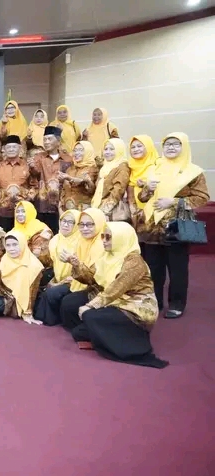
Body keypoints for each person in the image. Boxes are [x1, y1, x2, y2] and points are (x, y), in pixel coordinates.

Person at [62, 222, 168, 368]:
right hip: (109, 298)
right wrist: (76, 265)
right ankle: (100, 331)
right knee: (70, 305)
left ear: (121, 238)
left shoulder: (134, 262)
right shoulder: (107, 256)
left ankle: (127, 341)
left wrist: (91, 306)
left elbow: (117, 288)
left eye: (109, 237)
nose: (104, 241)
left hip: (133, 306)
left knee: (89, 316)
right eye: (103, 236)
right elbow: (90, 278)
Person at [136, 132, 210, 318]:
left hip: (176, 225)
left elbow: (202, 197)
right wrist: (147, 189)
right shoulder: (155, 168)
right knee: (153, 268)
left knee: (177, 269)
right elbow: (142, 198)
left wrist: (174, 201)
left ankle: (177, 304)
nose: (171, 147)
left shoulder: (193, 171)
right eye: (167, 144)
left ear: (184, 147)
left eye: (176, 144)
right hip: (152, 227)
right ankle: (155, 301)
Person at [57, 208, 107, 327]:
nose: (84, 228)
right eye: (81, 224)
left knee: (68, 301)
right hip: (81, 281)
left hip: (100, 288)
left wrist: (76, 264)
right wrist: (73, 263)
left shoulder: (103, 244)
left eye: (89, 224)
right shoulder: (82, 240)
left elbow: (95, 277)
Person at [0, 231, 43, 324]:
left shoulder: (34, 265)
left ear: (22, 244)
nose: (11, 249)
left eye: (15, 245)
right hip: (5, 293)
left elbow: (32, 291)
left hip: (19, 299)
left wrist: (27, 312)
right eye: (8, 245)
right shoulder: (6, 258)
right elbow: (1, 282)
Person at [35, 210, 80, 325]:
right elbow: (48, 260)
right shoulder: (56, 239)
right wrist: (41, 248)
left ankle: (53, 319)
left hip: (75, 280)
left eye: (70, 222)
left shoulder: (81, 242)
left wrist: (62, 282)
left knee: (51, 293)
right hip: (57, 277)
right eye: (63, 221)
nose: (65, 225)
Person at [30, 126, 73, 233]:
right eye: (44, 139)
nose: (46, 142)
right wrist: (32, 167)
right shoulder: (39, 157)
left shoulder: (68, 159)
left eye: (49, 139)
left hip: (61, 204)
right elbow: (35, 174)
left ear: (58, 141)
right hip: (43, 205)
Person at [0, 134, 37, 232]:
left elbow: (34, 185)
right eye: (8, 147)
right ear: (4, 149)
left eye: (14, 147)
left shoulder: (27, 166)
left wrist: (28, 199)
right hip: (3, 211)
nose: (11, 149)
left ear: (20, 148)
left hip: (22, 212)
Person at [91, 138, 131, 221]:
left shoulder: (122, 167)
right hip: (99, 206)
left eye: (112, 149)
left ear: (119, 150)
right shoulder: (104, 167)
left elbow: (118, 189)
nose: (107, 152)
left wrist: (105, 210)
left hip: (111, 211)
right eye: (106, 149)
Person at [60, 140, 99, 211]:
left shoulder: (92, 169)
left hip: (83, 210)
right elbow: (64, 190)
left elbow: (91, 190)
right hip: (67, 211)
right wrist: (61, 205)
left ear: (88, 152)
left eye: (81, 150)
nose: (77, 153)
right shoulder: (70, 169)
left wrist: (69, 178)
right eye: (75, 150)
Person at [12, 200, 53, 268]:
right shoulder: (14, 230)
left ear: (30, 212)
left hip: (37, 266)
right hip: (18, 264)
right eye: (17, 211)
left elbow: (42, 254)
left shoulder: (40, 228)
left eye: (23, 211)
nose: (20, 214)